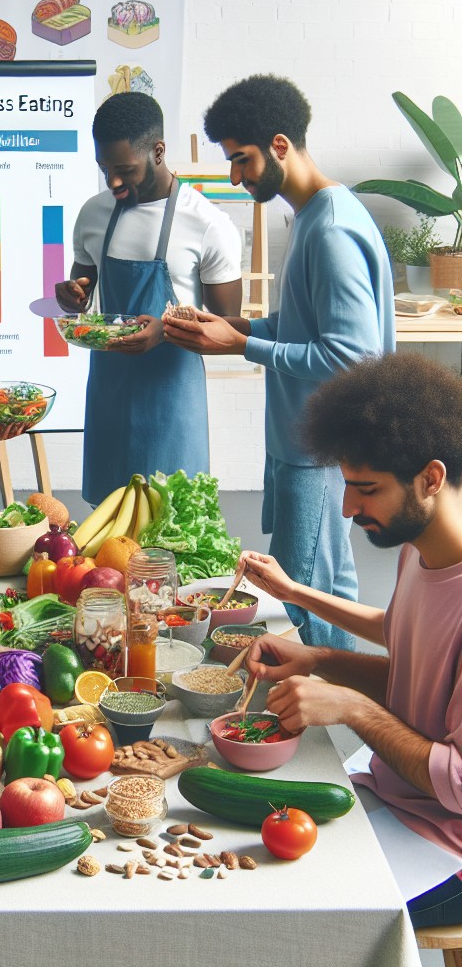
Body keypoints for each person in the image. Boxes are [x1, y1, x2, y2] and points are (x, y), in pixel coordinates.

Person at [163, 74, 395, 649]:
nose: (236, 178)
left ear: (281, 145)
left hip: (316, 449)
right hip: (313, 441)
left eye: (241, 160)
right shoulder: (317, 214)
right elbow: (307, 331)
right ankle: (342, 721)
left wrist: (241, 346)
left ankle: (322, 725)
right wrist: (234, 326)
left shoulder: (331, 231)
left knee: (299, 597)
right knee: (330, 590)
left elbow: (351, 356)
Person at [238, 351, 462, 928]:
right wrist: (314, 650)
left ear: (430, 478)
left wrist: (355, 710)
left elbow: (457, 785)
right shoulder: (421, 544)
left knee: (274, 919)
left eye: (365, 489)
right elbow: (408, 642)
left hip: (444, 850)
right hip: (389, 795)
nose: (346, 507)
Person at [55, 92, 243, 505]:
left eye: (124, 170)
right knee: (107, 537)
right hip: (109, 397)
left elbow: (230, 325)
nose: (113, 183)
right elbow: (82, 290)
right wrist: (71, 295)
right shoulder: (93, 214)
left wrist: (167, 330)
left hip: (172, 403)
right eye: (105, 170)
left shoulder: (209, 224)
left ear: (158, 152)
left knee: (172, 524)